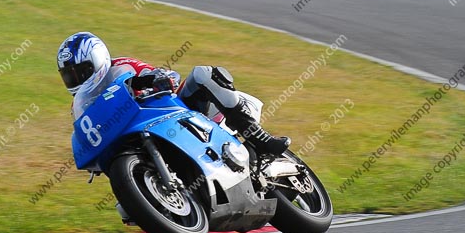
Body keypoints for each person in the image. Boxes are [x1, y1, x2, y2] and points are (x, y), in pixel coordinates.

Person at [56, 32, 290, 156]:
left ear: (98, 58)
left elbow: (166, 75)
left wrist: (157, 78)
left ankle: (259, 137)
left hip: (173, 112)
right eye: (69, 76)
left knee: (203, 73)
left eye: (81, 71)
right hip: (136, 138)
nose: (77, 80)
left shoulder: (123, 66)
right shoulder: (80, 106)